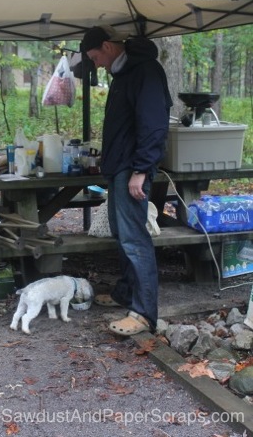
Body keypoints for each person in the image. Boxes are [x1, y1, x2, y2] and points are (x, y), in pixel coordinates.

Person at [80, 25, 173, 336]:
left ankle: (145, 313)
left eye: (95, 57)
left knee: (135, 239)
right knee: (123, 235)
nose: (96, 64)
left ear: (107, 46)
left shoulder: (144, 71)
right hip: (121, 167)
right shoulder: (124, 73)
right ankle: (125, 294)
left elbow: (154, 125)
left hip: (133, 169)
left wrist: (142, 170)